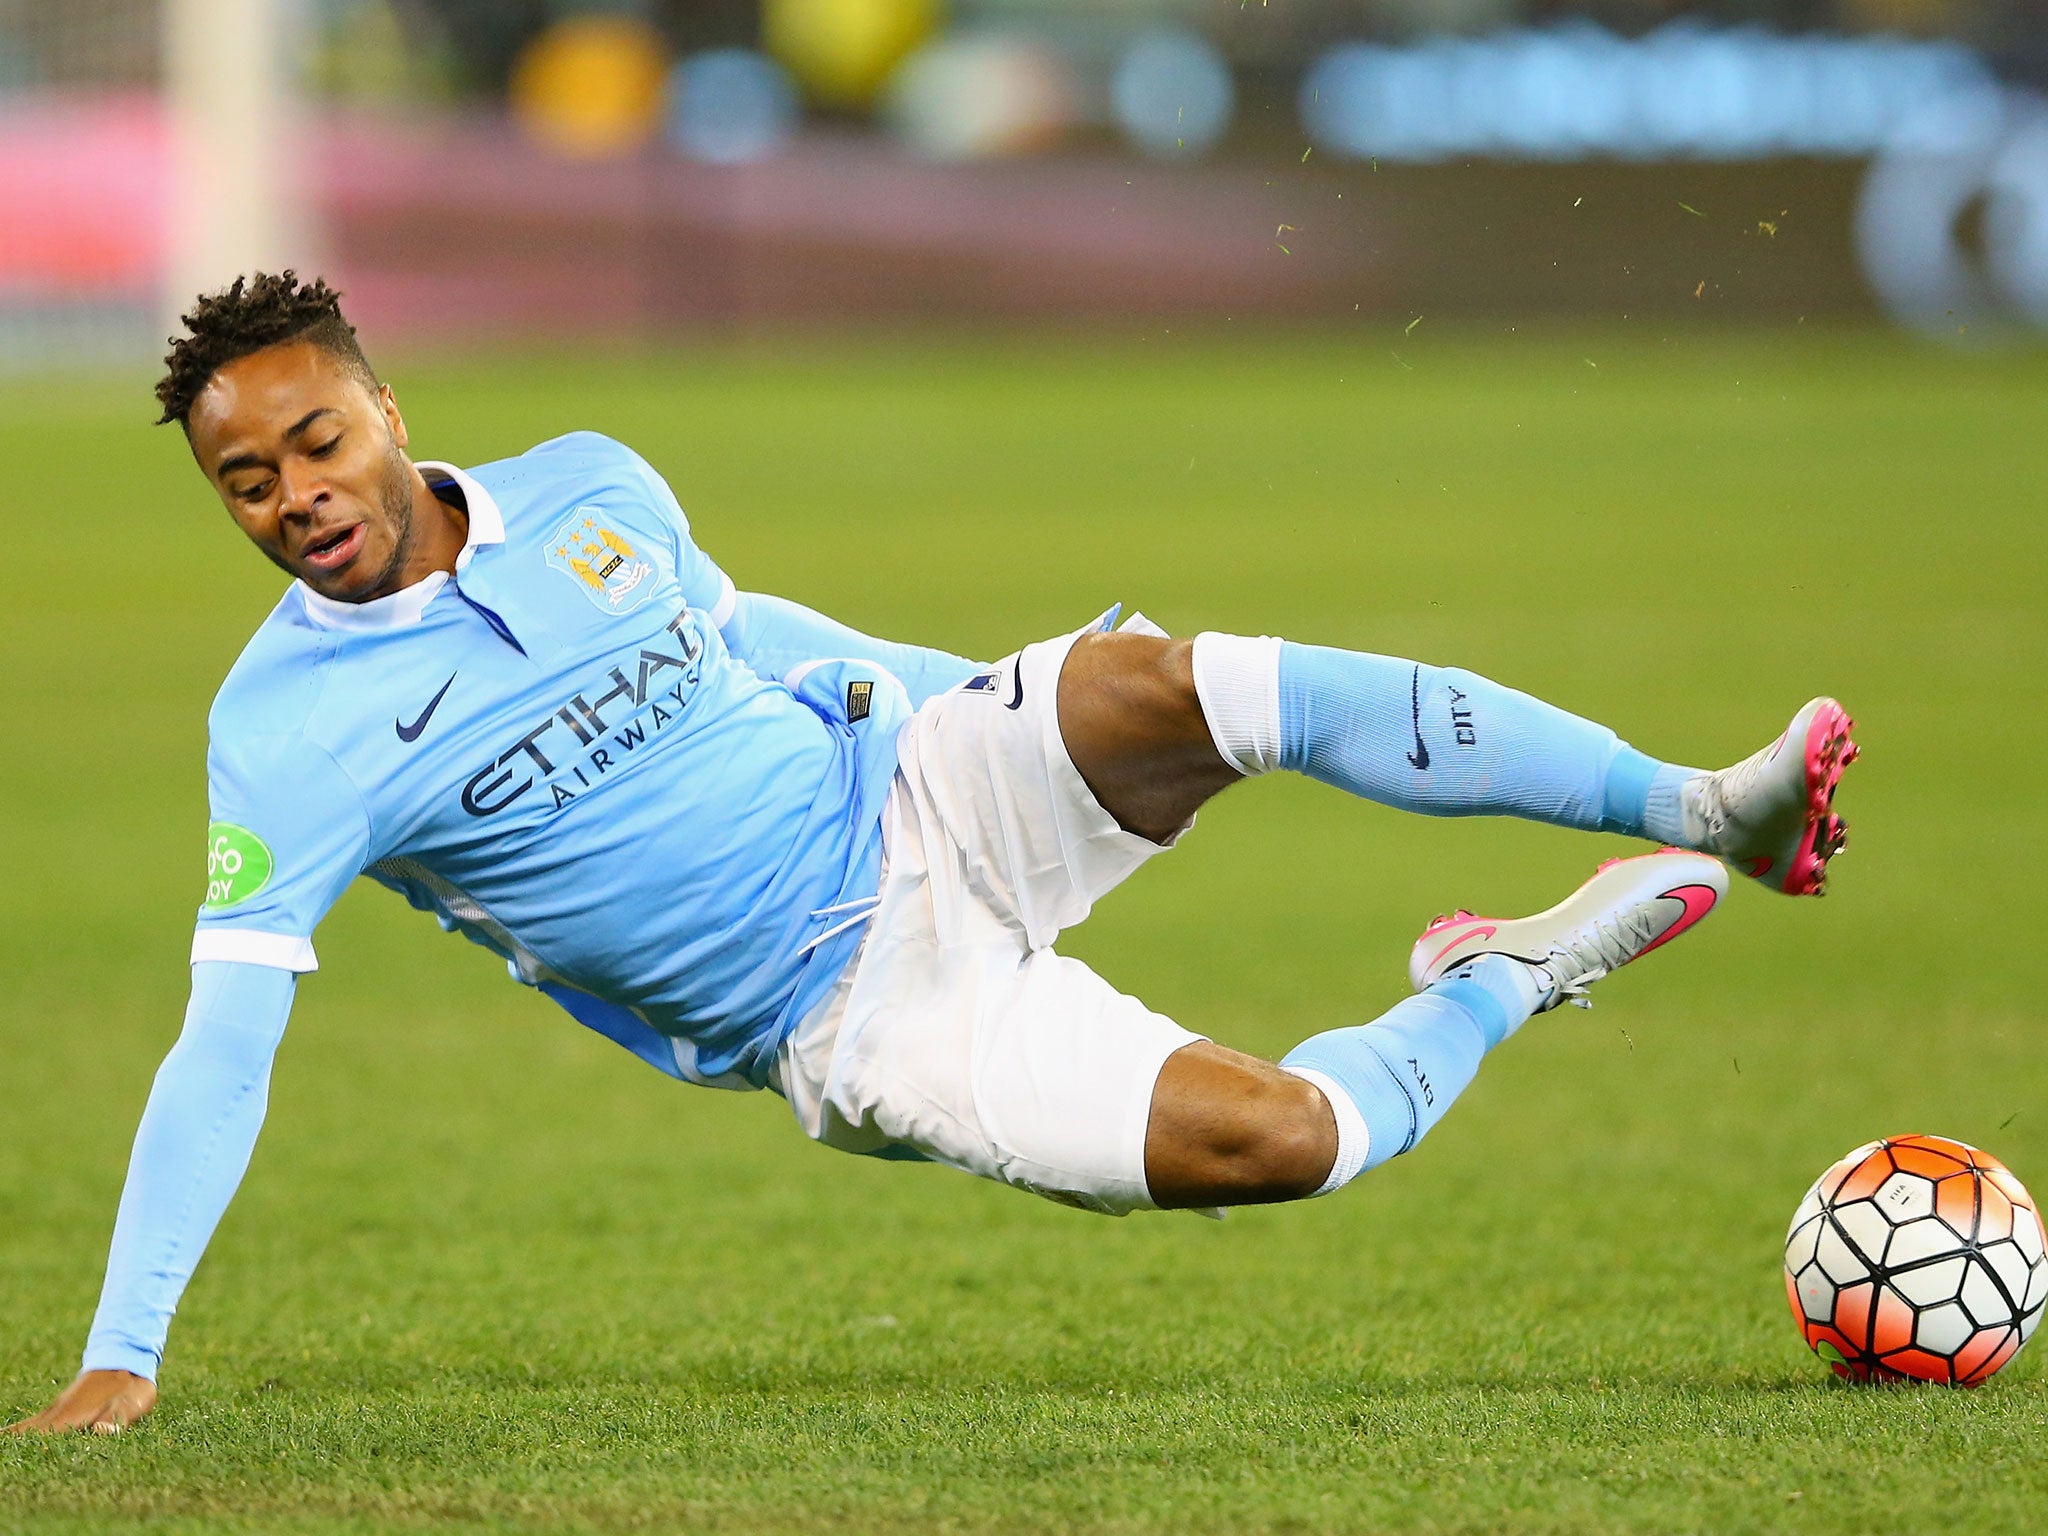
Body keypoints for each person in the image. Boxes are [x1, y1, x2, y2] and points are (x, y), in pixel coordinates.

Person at [9, 273, 1857, 1435]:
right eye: (247, 484)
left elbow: (748, 634)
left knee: (1178, 683)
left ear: (387, 408)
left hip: (916, 786)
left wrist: (946, 686)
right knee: (1286, 1145)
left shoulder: (589, 483)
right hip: (855, 1014)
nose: (296, 500)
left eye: (317, 444)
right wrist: (127, 1349)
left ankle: (1703, 805)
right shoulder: (280, 738)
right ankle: (1503, 976)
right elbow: (223, 1043)